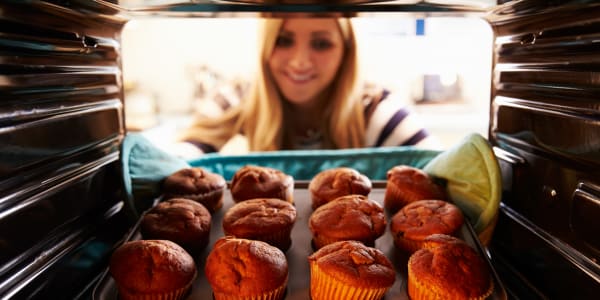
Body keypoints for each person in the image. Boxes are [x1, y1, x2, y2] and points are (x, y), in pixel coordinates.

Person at [177, 17, 440, 156]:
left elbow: (439, 168)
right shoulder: (235, 98)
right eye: (283, 40)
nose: (300, 62)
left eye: (321, 43)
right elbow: (177, 161)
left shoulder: (375, 109)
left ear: (346, 53)